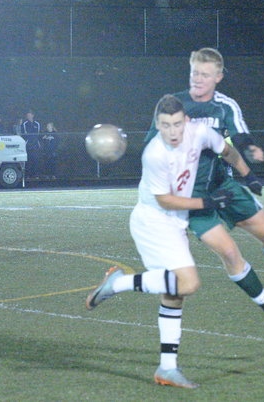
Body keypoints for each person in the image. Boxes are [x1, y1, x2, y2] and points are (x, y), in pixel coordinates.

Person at [147, 48, 264, 333]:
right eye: (194, 73)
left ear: (218, 77)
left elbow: (237, 136)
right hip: (193, 200)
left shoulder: (224, 106)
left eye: (205, 74)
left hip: (224, 186)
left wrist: (249, 166)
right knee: (230, 253)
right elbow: (150, 145)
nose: (198, 79)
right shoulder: (173, 106)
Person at [86, 95, 245, 389]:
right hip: (153, 222)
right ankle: (118, 283)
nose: (172, 131)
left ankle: (167, 369)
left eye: (176, 124)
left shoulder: (201, 133)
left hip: (175, 222)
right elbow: (166, 200)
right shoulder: (155, 154)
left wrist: (247, 175)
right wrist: (209, 202)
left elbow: (227, 150)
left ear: (186, 121)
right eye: (165, 125)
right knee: (188, 283)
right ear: (157, 126)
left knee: (174, 294)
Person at [21, 109, 41, 178]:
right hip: (28, 145)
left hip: (35, 145)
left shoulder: (37, 124)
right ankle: (27, 175)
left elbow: (38, 134)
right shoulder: (24, 124)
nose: (28, 116)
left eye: (30, 115)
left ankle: (35, 175)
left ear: (33, 115)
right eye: (27, 115)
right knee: (28, 161)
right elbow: (24, 135)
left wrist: (37, 142)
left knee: (35, 160)